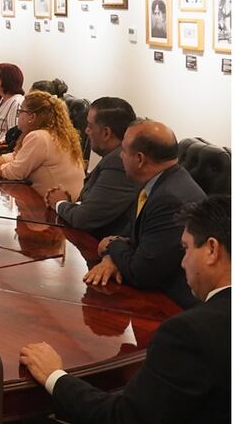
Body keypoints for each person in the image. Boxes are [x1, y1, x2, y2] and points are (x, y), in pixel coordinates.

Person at [5, 195, 230, 424]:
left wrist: (55, 377)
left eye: (186, 249)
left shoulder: (189, 333)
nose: (182, 262)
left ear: (212, 249)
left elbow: (123, 422)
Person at [82, 120, 205, 307]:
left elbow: (141, 272)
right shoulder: (159, 182)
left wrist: (112, 246)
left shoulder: (170, 199)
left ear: (139, 159)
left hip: (171, 306)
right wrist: (111, 258)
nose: (120, 155)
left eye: (124, 150)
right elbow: (132, 239)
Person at [0, 91, 85, 199]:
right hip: (64, 202)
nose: (18, 115)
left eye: (20, 111)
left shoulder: (39, 137)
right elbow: (16, 157)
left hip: (52, 207)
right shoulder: (55, 134)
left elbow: (15, 172)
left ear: (32, 117)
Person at [45, 97, 139, 239]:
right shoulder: (113, 157)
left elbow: (84, 218)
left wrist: (59, 203)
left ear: (106, 133)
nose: (86, 131)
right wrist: (71, 204)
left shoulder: (118, 162)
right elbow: (94, 205)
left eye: (89, 126)